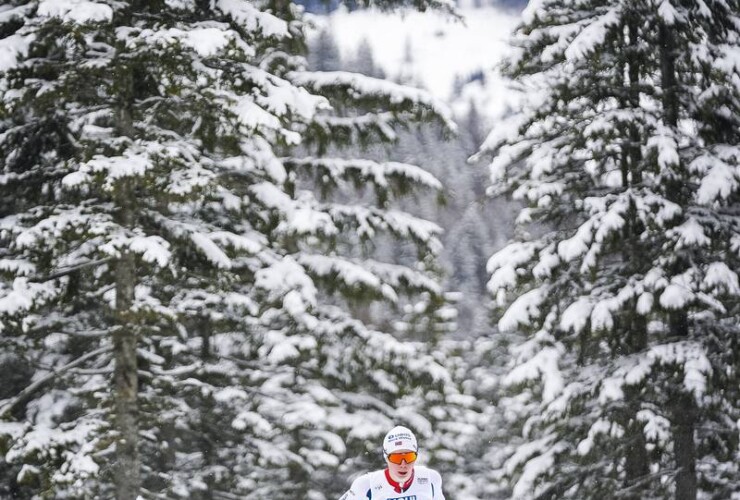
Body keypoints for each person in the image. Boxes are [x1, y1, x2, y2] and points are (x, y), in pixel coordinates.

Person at [339, 425, 445, 499]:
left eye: (409, 457)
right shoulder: (366, 485)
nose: (403, 464)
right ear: (386, 457)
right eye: (396, 458)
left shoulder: (431, 479)